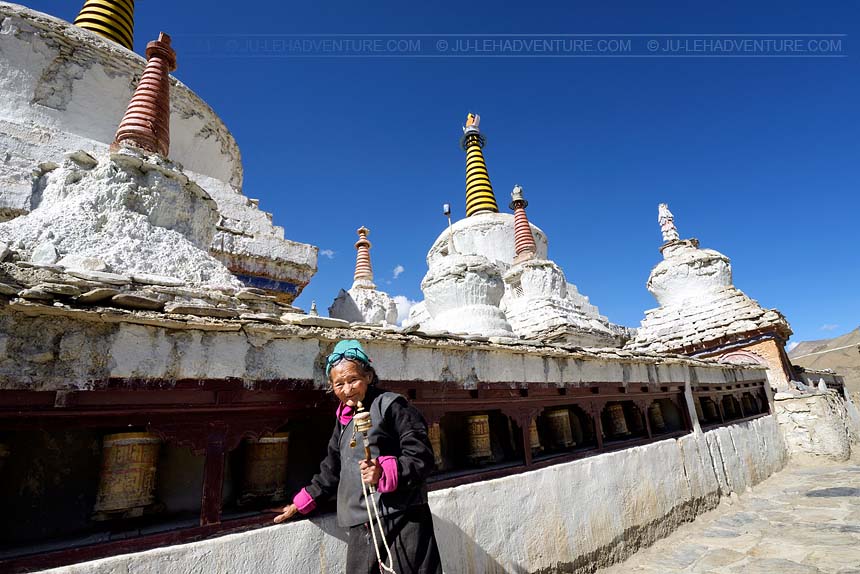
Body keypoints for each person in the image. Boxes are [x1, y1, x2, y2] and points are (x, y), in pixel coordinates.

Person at [273, 339, 442, 574]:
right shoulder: (343, 420)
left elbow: (422, 457)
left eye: (353, 380)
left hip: (404, 517)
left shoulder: (392, 406)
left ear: (369, 377)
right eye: (338, 384)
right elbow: (331, 469)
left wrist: (384, 472)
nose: (347, 389)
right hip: (362, 523)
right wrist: (300, 504)